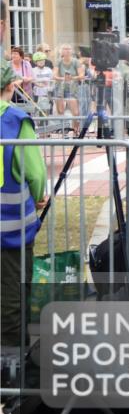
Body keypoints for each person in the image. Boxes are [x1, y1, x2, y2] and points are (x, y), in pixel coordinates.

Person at [1, 62, 48, 362]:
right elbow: (36, 173)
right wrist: (39, 195)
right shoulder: (16, 120)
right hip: (10, 233)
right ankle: (10, 370)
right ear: (10, 85)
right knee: (12, 300)